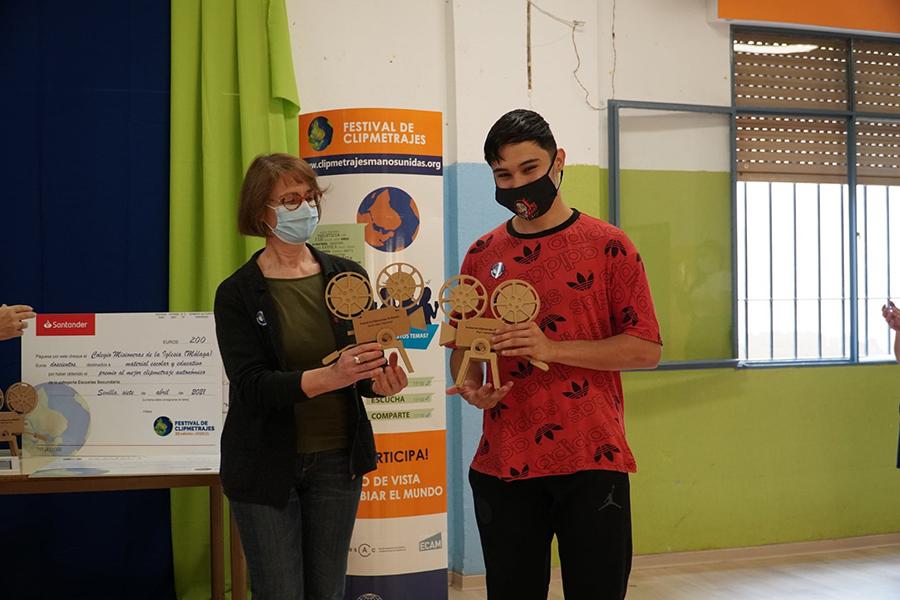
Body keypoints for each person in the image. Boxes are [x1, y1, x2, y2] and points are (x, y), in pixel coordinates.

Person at [446, 110, 662, 600]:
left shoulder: (610, 247)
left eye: (530, 168)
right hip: (504, 463)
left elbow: (646, 349)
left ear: (558, 161)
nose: (518, 183)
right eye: (504, 175)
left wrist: (552, 348)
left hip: (592, 459)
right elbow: (465, 346)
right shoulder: (482, 253)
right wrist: (473, 383)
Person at [214, 153, 408, 600]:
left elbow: (359, 372)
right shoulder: (237, 292)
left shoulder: (347, 277)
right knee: (280, 590)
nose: (304, 208)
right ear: (260, 211)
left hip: (338, 463)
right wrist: (330, 376)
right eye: (289, 199)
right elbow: (252, 386)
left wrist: (378, 382)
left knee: (327, 590)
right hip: (264, 463)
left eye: (309, 197)